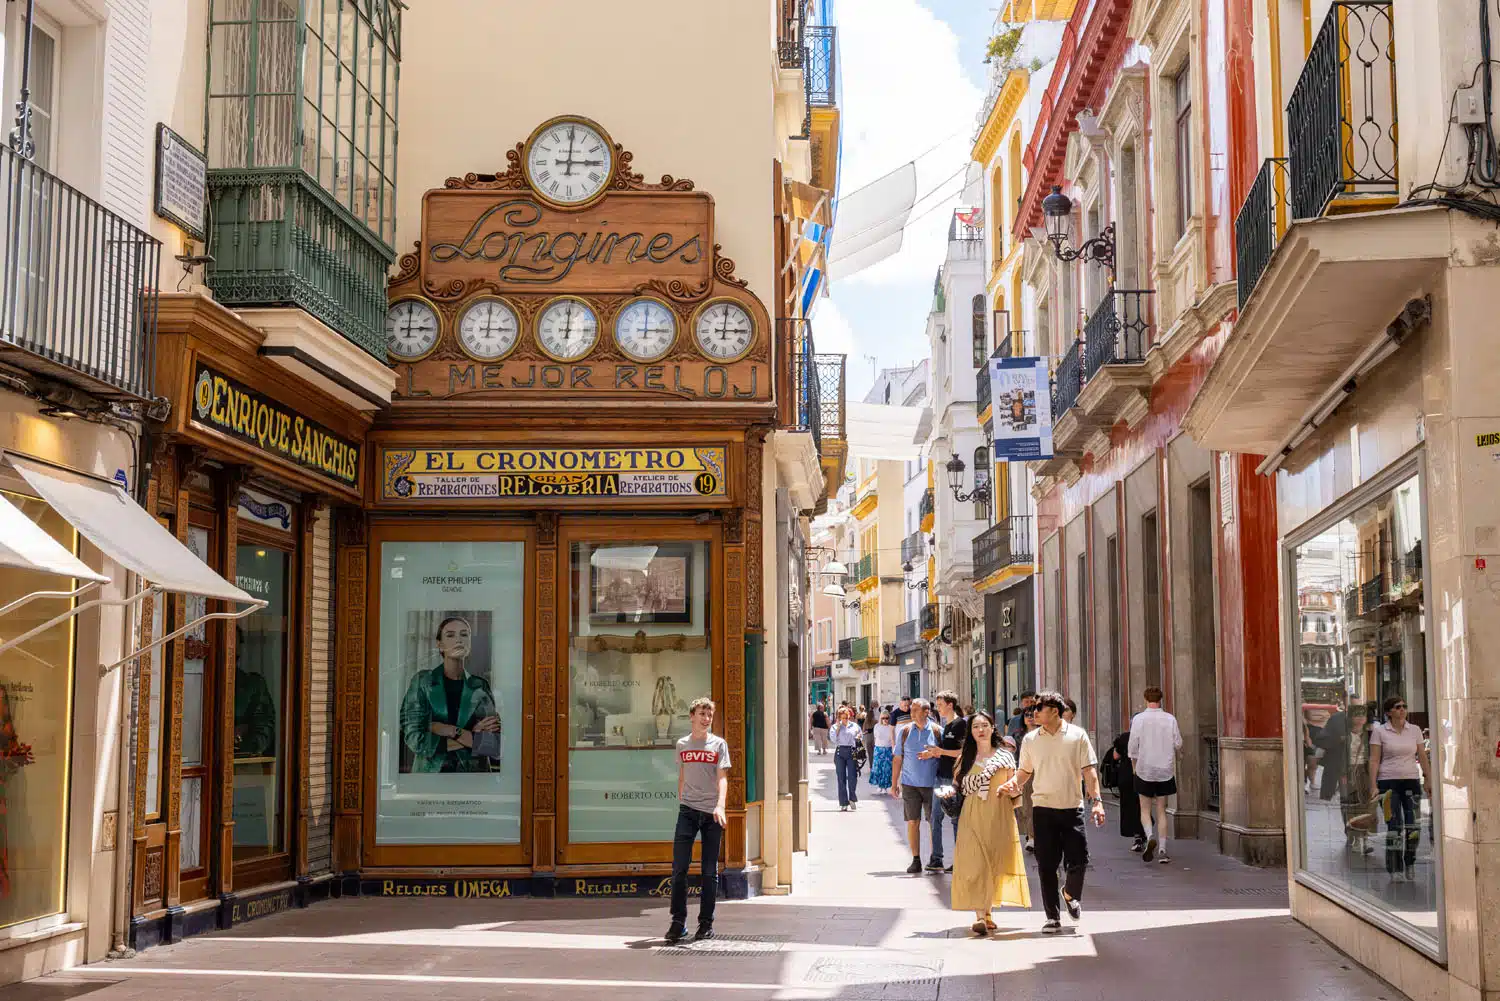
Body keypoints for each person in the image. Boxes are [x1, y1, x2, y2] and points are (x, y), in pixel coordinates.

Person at [999, 691, 1105, 934]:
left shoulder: (1077, 736)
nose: (1033, 712)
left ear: (1054, 711)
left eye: (1039, 708)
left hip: (1072, 807)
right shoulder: (1031, 739)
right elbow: (1025, 771)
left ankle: (1069, 893)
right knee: (1046, 864)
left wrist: (1097, 801)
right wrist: (1013, 783)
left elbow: (1089, 771)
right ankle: (1052, 916)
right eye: (1033, 708)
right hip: (1043, 809)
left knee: (1079, 861)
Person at [949, 712, 1029, 935]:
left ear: (993, 728)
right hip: (972, 814)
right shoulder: (965, 758)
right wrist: (948, 793)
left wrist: (1013, 789)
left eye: (985, 725)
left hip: (999, 813)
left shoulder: (1005, 756)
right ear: (971, 731)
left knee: (994, 862)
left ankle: (988, 912)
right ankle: (980, 916)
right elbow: (958, 786)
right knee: (975, 863)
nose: (981, 730)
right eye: (976, 726)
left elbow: (1016, 787)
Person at [398, 617, 502, 773]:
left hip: (474, 778)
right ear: (439, 644)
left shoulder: (480, 686)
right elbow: (415, 738)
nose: (459, 640)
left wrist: (440, 728)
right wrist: (468, 734)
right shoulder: (423, 682)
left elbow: (493, 744)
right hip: (431, 778)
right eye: (451, 635)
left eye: (464, 635)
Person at [666, 697, 731, 943]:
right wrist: (682, 799)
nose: (706, 719)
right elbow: (682, 773)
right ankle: (677, 922)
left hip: (712, 813)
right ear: (692, 716)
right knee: (679, 869)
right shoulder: (682, 744)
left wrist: (720, 806)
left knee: (708, 871)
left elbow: (722, 778)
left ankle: (706, 924)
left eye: (709, 715)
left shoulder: (719, 744)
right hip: (688, 811)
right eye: (702, 714)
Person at [1369, 696, 1431, 880]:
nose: (1402, 709)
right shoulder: (1380, 732)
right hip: (1388, 783)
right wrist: (1373, 785)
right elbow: (1374, 760)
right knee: (1394, 825)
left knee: (1413, 826)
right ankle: (1395, 868)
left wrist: (1428, 779)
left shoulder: (1415, 730)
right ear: (1389, 712)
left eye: (1404, 706)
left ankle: (1410, 862)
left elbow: (1422, 755)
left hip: (1411, 780)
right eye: (1398, 707)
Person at [1128, 687, 1183, 864]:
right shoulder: (1170, 719)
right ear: (1161, 699)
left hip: (1145, 769)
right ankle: (1162, 849)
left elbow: (1132, 747)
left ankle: (1150, 835)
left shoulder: (1138, 720)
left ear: (1146, 699)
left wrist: (1134, 767)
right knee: (1161, 810)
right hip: (1164, 770)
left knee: (1145, 809)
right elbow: (1178, 743)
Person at [890, 698, 943, 874]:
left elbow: (946, 756)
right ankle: (916, 859)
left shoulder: (937, 732)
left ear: (926, 712)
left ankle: (935, 858)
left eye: (915, 710)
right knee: (913, 822)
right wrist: (894, 783)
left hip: (932, 784)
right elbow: (897, 758)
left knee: (932, 822)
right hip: (909, 784)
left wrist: (934, 754)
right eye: (911, 710)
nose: (911, 713)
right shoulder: (904, 731)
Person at [918, 690, 967, 872]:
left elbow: (963, 753)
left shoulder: (960, 725)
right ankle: (936, 857)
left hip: (953, 778)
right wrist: (932, 753)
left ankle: (960, 859)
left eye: (940, 705)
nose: (937, 708)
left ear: (950, 705)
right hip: (940, 775)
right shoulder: (946, 725)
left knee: (955, 818)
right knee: (934, 817)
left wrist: (941, 751)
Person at [1340, 703, 1375, 855]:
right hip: (1348, 772)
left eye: (1363, 714)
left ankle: (1365, 838)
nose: (1360, 718)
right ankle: (1353, 837)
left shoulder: (1370, 735)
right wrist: (1342, 775)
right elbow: (1339, 757)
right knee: (1349, 806)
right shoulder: (1344, 735)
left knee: (1366, 805)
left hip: (1365, 772)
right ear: (1350, 717)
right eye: (1357, 714)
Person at [1103, 731, 1146, 851]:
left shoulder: (1124, 737)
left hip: (1126, 777)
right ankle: (1145, 831)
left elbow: (1115, 756)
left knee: (1129, 807)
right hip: (1142, 774)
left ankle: (1138, 836)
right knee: (1142, 806)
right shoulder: (1145, 736)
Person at [1015, 704, 1041, 851]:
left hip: (1040, 771)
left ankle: (1037, 835)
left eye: (1033, 715)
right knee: (1027, 805)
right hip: (1024, 772)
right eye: (1027, 715)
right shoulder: (1018, 735)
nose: (1030, 718)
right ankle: (1031, 836)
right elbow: (1013, 753)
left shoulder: (1042, 734)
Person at [831, 706, 863, 811]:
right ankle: (843, 802)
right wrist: (839, 728)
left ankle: (852, 798)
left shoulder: (855, 726)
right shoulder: (835, 727)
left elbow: (860, 736)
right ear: (839, 718)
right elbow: (833, 740)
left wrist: (858, 738)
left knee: (853, 777)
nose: (845, 719)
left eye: (846, 717)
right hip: (840, 751)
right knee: (841, 778)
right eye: (842, 717)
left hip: (852, 751)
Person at [870, 710, 895, 792]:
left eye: (887, 718)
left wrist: (893, 749)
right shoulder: (877, 726)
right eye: (883, 718)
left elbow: (893, 739)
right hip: (878, 749)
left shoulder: (891, 727)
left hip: (888, 749)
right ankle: (879, 785)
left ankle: (884, 786)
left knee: (887, 769)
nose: (885, 720)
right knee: (878, 768)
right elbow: (875, 737)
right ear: (880, 718)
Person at [861, 704, 878, 772]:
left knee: (870, 754)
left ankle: (871, 767)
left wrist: (867, 731)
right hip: (874, 738)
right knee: (875, 753)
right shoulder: (876, 721)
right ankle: (875, 766)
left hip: (868, 738)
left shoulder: (866, 721)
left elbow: (863, 730)